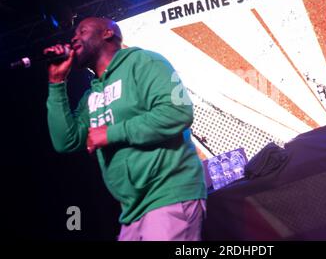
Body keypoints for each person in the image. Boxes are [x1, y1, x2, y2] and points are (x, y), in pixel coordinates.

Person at [45, 17, 207, 241]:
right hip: (131, 211)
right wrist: (56, 83)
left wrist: (111, 133)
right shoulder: (92, 96)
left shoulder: (144, 62)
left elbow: (177, 112)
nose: (74, 37)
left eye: (82, 30)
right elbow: (66, 141)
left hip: (169, 194)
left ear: (107, 33)